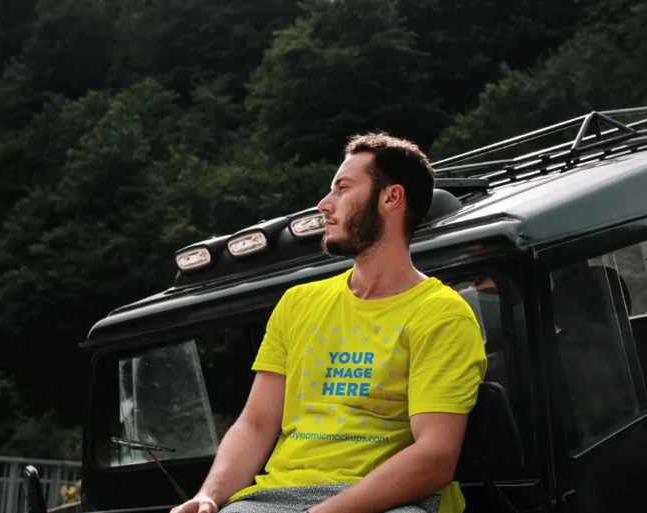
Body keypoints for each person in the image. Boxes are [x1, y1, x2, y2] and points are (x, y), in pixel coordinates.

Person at [171, 133, 487, 513]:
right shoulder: (298, 303)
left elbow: (435, 456)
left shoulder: (442, 314)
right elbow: (256, 425)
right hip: (273, 499)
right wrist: (210, 495)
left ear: (391, 198)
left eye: (343, 188)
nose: (324, 204)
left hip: (391, 501)